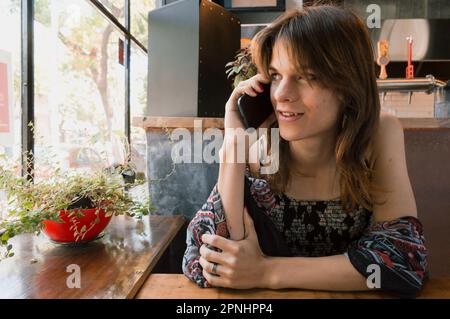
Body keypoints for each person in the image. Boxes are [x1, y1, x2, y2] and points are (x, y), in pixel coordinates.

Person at [182, 4, 428, 297]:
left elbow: (401, 260)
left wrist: (265, 271)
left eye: (306, 76)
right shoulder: (259, 142)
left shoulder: (378, 133)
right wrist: (233, 146)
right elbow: (210, 256)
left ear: (348, 85)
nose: (282, 94)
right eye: (275, 75)